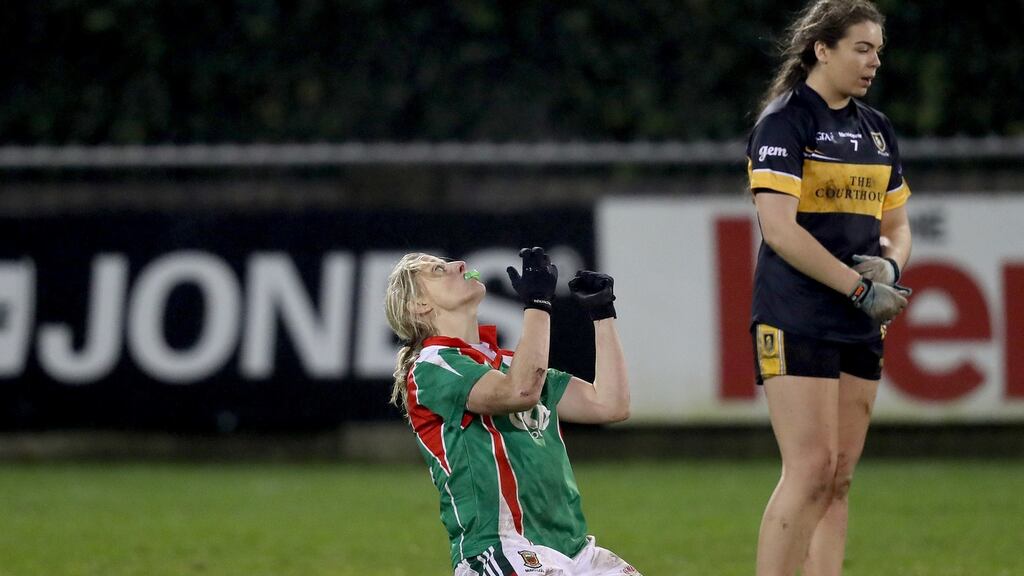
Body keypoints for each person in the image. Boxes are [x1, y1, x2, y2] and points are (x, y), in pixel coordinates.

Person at [745, 1, 913, 574]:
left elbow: (897, 227)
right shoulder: (786, 121)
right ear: (822, 49)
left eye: (878, 51)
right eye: (862, 49)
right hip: (796, 313)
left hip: (858, 318)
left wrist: (890, 269)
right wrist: (858, 289)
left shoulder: (877, 129)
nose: (874, 62)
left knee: (838, 476)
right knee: (811, 468)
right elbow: (779, 230)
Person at [384, 247, 641, 576]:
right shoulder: (432, 367)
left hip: (575, 550)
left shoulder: (508, 363)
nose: (459, 264)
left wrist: (602, 314)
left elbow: (610, 404)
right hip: (501, 548)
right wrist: (538, 304)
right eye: (437, 270)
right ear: (419, 305)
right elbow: (520, 392)